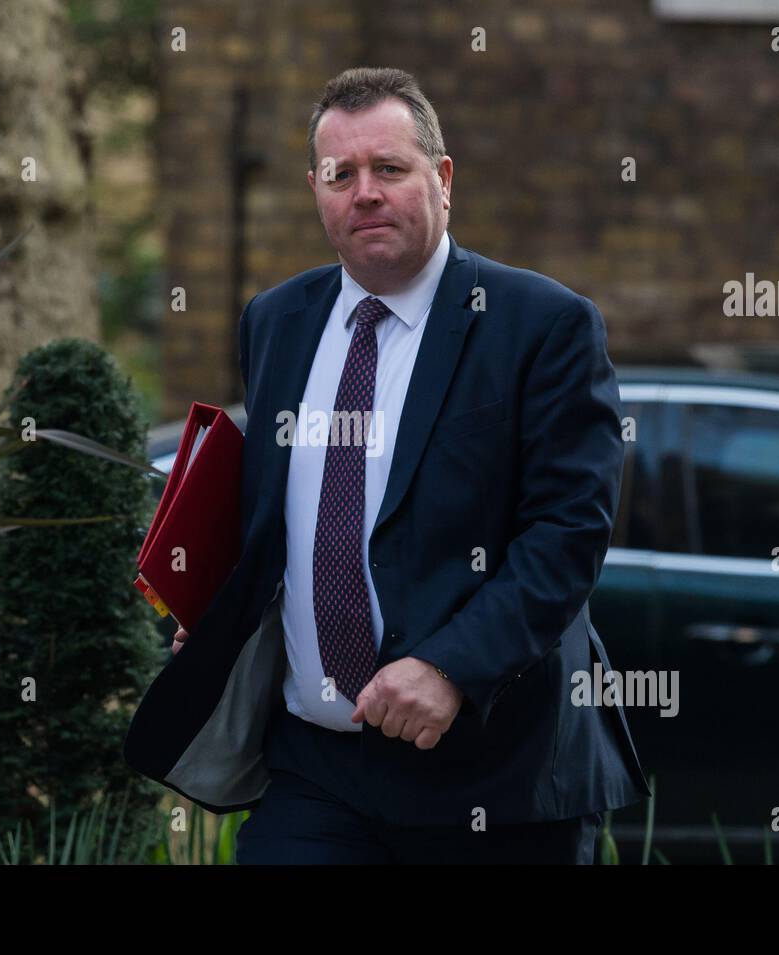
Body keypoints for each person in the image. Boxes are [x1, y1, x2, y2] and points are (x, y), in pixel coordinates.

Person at [124, 66, 649, 864]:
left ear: (442, 180)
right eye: (342, 175)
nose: (364, 192)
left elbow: (569, 533)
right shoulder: (276, 321)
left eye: (389, 169)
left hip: (494, 771)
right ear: (315, 190)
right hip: (319, 766)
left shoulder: (541, 325)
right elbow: (275, 514)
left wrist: (449, 665)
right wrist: (215, 607)